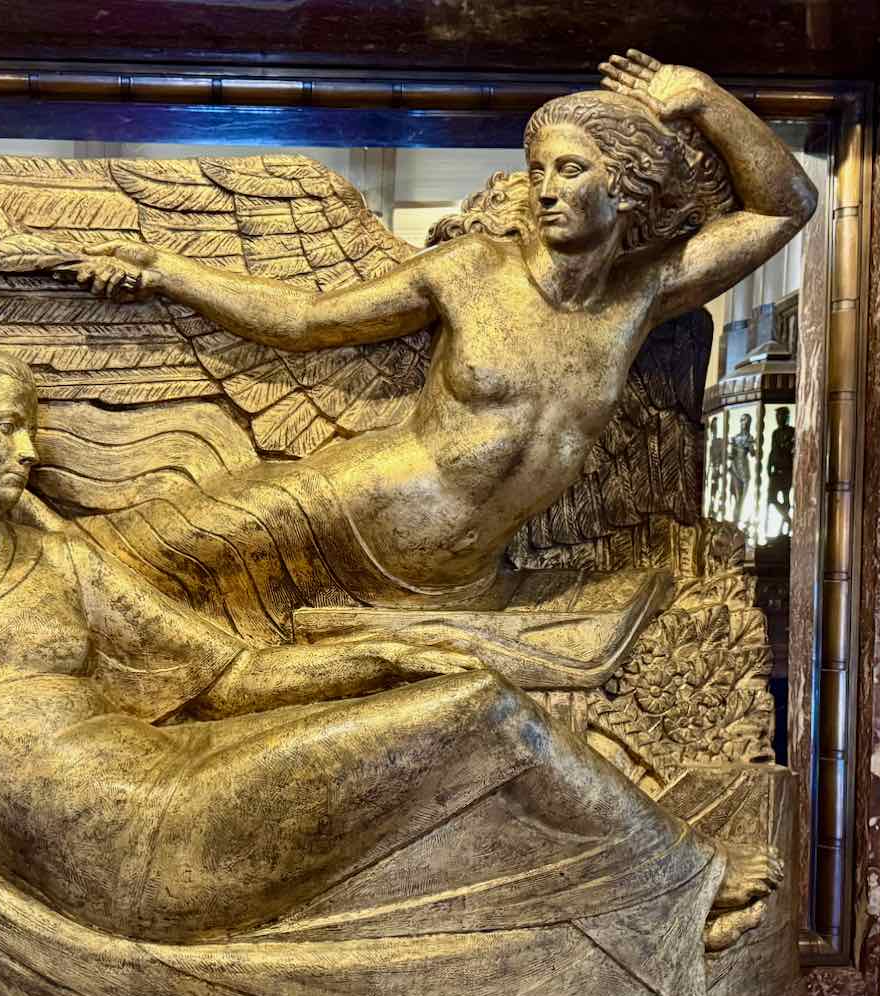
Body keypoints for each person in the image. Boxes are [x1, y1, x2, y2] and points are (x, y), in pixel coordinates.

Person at [0, 345, 780, 952]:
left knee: (448, 703)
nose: (29, 450)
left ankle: (641, 887)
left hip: (168, 776)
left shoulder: (59, 560)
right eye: (4, 428)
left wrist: (384, 657)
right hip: (122, 844)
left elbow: (234, 673)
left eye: (30, 426)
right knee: (477, 713)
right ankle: (678, 881)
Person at [72, 52, 816, 607]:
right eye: (537, 171)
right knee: (125, 565)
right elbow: (305, 320)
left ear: (622, 188)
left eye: (569, 170)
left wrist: (707, 100)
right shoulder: (471, 269)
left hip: (458, 578)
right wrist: (167, 271)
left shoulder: (643, 296)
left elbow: (785, 207)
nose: (545, 190)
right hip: (343, 510)